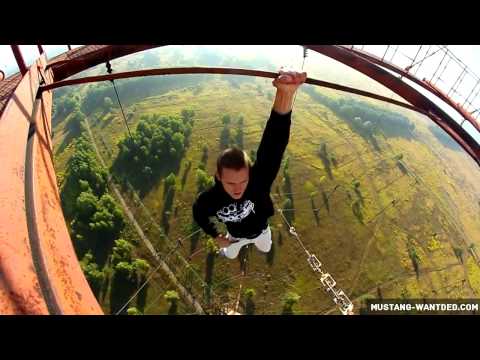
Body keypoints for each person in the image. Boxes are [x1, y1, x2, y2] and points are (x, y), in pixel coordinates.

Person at [192, 70, 307, 259]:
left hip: (260, 231)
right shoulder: (210, 199)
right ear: (219, 177)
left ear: (249, 174)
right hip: (234, 237)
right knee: (229, 254)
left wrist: (285, 94)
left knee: (266, 248)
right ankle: (230, 248)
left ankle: (257, 242)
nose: (238, 189)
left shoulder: (257, 182)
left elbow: (273, 146)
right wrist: (215, 235)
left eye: (243, 181)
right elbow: (198, 212)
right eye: (230, 183)